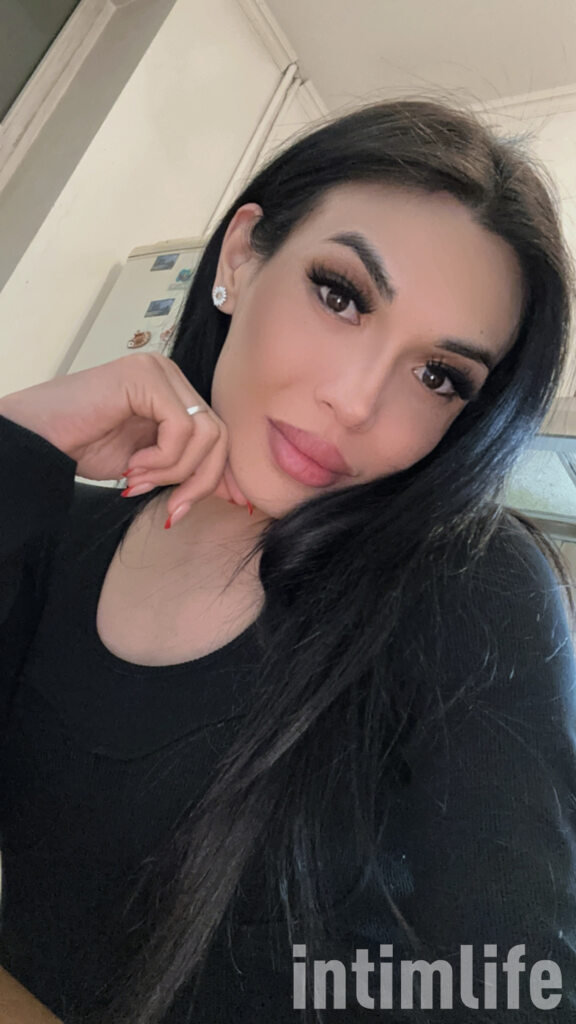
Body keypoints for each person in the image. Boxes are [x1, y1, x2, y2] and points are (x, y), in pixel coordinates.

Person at [0, 97, 575, 1024]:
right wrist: (16, 439)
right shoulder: (59, 532)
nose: (356, 400)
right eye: (342, 295)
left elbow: (519, 982)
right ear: (239, 258)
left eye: (438, 377)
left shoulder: (468, 592)